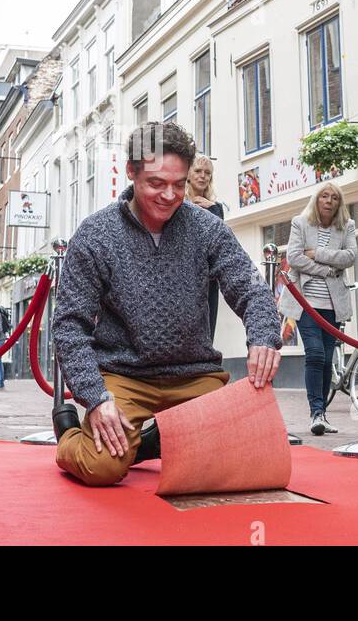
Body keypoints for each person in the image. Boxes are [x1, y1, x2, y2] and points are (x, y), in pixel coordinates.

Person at [51, 123, 283, 486]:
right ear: (131, 172)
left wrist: (264, 336)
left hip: (194, 373)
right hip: (123, 375)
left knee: (236, 460)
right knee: (103, 468)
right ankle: (69, 437)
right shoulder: (96, 234)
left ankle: (145, 443)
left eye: (179, 184)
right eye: (156, 183)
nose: (169, 195)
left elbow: (251, 288)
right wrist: (95, 397)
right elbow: (69, 324)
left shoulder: (208, 228)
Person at [281, 182, 356, 436]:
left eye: (334, 197)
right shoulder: (300, 223)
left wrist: (317, 253)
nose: (329, 200)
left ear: (339, 203)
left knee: (325, 358)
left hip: (332, 306)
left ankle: (321, 413)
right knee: (314, 354)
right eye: (324, 196)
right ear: (317, 199)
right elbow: (294, 257)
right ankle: (316, 413)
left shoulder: (347, 226)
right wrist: (326, 269)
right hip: (305, 304)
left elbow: (349, 257)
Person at [186, 154, 225, 341]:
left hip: (209, 280)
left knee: (207, 335)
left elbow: (218, 241)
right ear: (188, 174)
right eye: (198, 171)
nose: (203, 176)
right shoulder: (177, 203)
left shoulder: (216, 207)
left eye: (207, 173)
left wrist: (213, 209)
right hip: (184, 277)